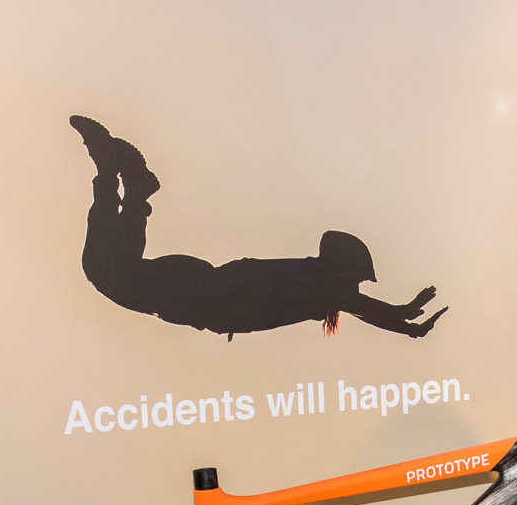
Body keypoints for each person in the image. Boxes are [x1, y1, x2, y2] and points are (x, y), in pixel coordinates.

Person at [69, 115, 446, 339]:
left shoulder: (325, 288)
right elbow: (371, 309)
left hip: (203, 293)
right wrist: (406, 317)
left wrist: (406, 317)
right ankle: (127, 184)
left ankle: (131, 187)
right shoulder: (321, 282)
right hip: (202, 293)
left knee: (112, 270)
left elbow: (369, 309)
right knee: (109, 271)